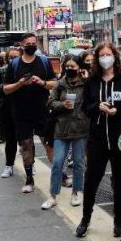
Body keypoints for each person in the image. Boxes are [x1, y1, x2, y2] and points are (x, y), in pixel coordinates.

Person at [77, 42, 121, 237]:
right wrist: (97, 107)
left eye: (108, 54)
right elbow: (85, 107)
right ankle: (85, 218)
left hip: (119, 138)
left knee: (120, 181)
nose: (105, 58)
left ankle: (118, 219)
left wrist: (118, 111)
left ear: (115, 57)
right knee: (91, 179)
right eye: (102, 55)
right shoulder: (92, 81)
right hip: (97, 138)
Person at [2, 34, 55, 191]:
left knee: (49, 143)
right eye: (28, 43)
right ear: (22, 46)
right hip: (21, 112)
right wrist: (20, 83)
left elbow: (55, 83)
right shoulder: (15, 65)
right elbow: (5, 89)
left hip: (42, 111)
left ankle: (60, 173)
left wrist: (42, 82)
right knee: (26, 145)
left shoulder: (44, 62)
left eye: (34, 43)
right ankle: (29, 179)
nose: (31, 45)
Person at [43, 55, 88, 210]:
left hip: (80, 128)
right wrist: (62, 104)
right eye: (67, 66)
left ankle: (76, 192)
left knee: (78, 163)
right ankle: (53, 195)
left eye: (73, 66)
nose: (69, 69)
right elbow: (50, 102)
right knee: (57, 163)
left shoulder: (86, 84)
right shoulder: (60, 84)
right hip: (61, 128)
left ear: (79, 67)